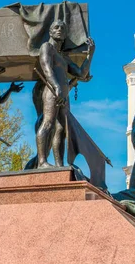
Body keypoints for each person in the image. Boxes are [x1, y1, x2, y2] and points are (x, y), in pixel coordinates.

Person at [35, 19, 94, 168]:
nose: (60, 29)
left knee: (61, 129)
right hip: (52, 91)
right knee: (48, 123)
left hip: (64, 94)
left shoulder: (63, 58)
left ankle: (59, 164)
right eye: (56, 27)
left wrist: (89, 55)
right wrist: (56, 86)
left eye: (63, 28)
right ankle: (42, 161)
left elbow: (81, 73)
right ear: (50, 32)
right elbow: (46, 67)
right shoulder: (46, 47)